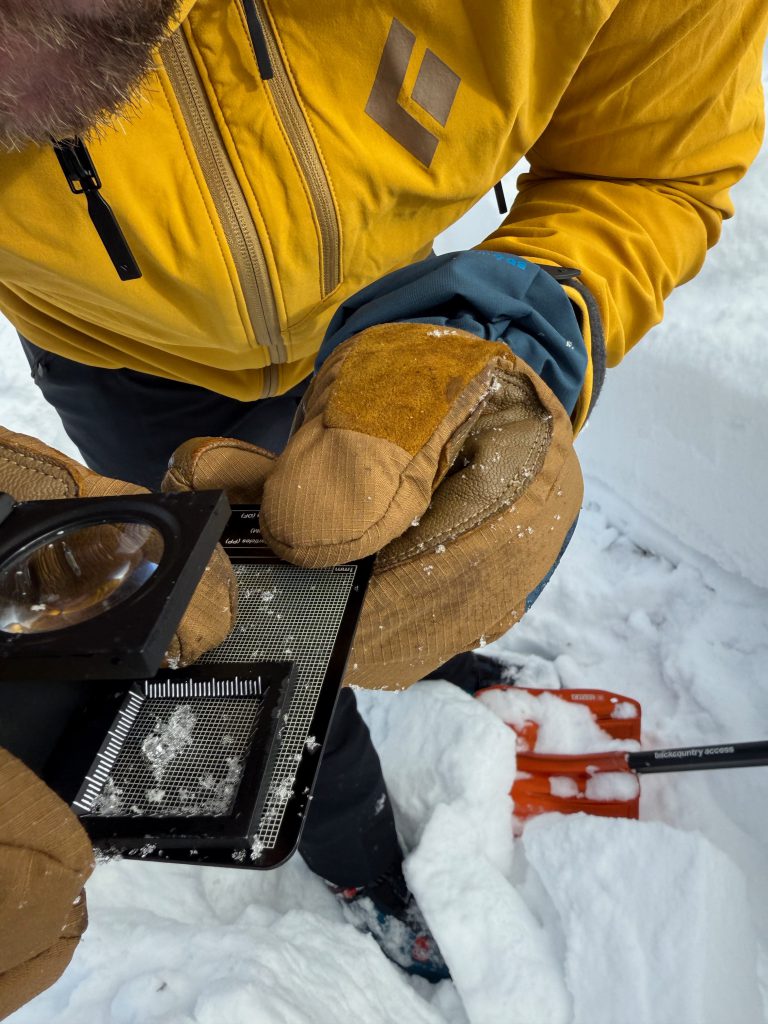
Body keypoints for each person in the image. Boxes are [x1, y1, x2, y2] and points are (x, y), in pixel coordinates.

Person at [0, 0, 766, 1010]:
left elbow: (644, 165)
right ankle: (351, 844)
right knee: (244, 640)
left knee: (397, 529)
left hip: (387, 316)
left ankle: (435, 652)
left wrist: (499, 338)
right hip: (119, 362)